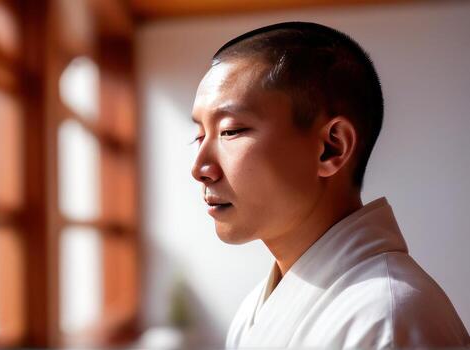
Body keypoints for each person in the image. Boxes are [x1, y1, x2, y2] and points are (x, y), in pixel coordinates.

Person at [189, 21, 470, 348]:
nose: (199, 168)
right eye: (198, 135)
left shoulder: (386, 321)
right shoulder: (254, 310)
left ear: (330, 147)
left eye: (230, 131)